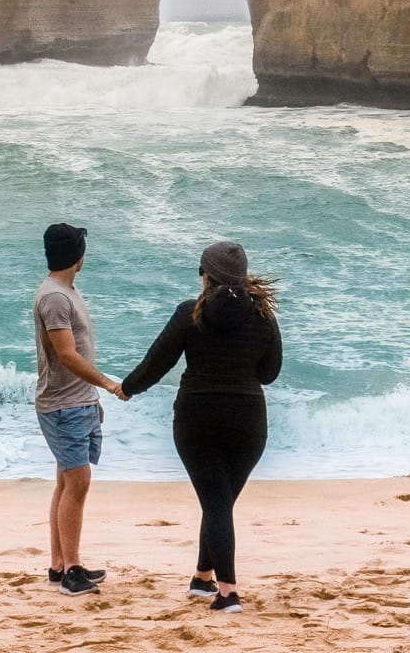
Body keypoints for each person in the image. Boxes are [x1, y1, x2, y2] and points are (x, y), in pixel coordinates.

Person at [121, 239, 281, 614]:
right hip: (248, 424)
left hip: (197, 421)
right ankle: (202, 578)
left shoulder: (188, 313)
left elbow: (156, 362)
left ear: (204, 275)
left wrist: (127, 388)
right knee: (219, 503)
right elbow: (269, 374)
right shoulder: (263, 317)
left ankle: (227, 593)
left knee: (216, 502)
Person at [33, 222, 125, 597]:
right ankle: (71, 572)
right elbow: (67, 355)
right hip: (63, 406)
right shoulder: (55, 297)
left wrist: (92, 396)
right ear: (77, 255)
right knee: (78, 484)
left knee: (66, 484)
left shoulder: (65, 290)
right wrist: (106, 383)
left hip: (77, 402)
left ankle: (60, 564)